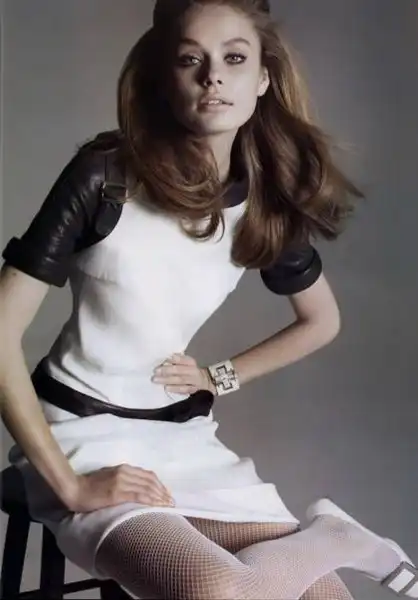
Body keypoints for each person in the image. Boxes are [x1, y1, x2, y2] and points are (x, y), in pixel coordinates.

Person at [0, 0, 416, 598]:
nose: (213, 76)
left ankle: (334, 538)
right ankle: (333, 538)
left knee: (328, 597)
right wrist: (69, 485)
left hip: (184, 440)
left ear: (264, 78)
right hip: (81, 436)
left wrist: (218, 377)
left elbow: (320, 320)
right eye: (190, 60)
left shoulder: (263, 198)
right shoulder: (104, 177)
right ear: (163, 78)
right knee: (216, 591)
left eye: (234, 59)